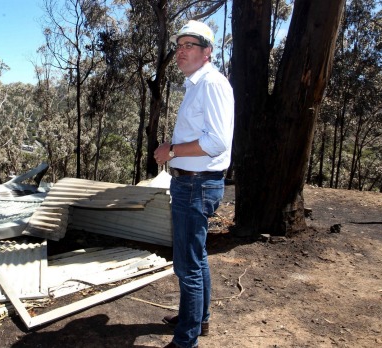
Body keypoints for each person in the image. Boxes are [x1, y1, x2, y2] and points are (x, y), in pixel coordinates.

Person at [153, 20, 234, 348]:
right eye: (179, 46)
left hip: (196, 185)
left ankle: (185, 340)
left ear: (207, 52)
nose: (180, 52)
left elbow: (215, 142)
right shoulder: (196, 84)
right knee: (196, 256)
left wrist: (169, 151)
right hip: (193, 182)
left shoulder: (212, 84)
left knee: (187, 264)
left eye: (189, 46)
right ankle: (198, 319)